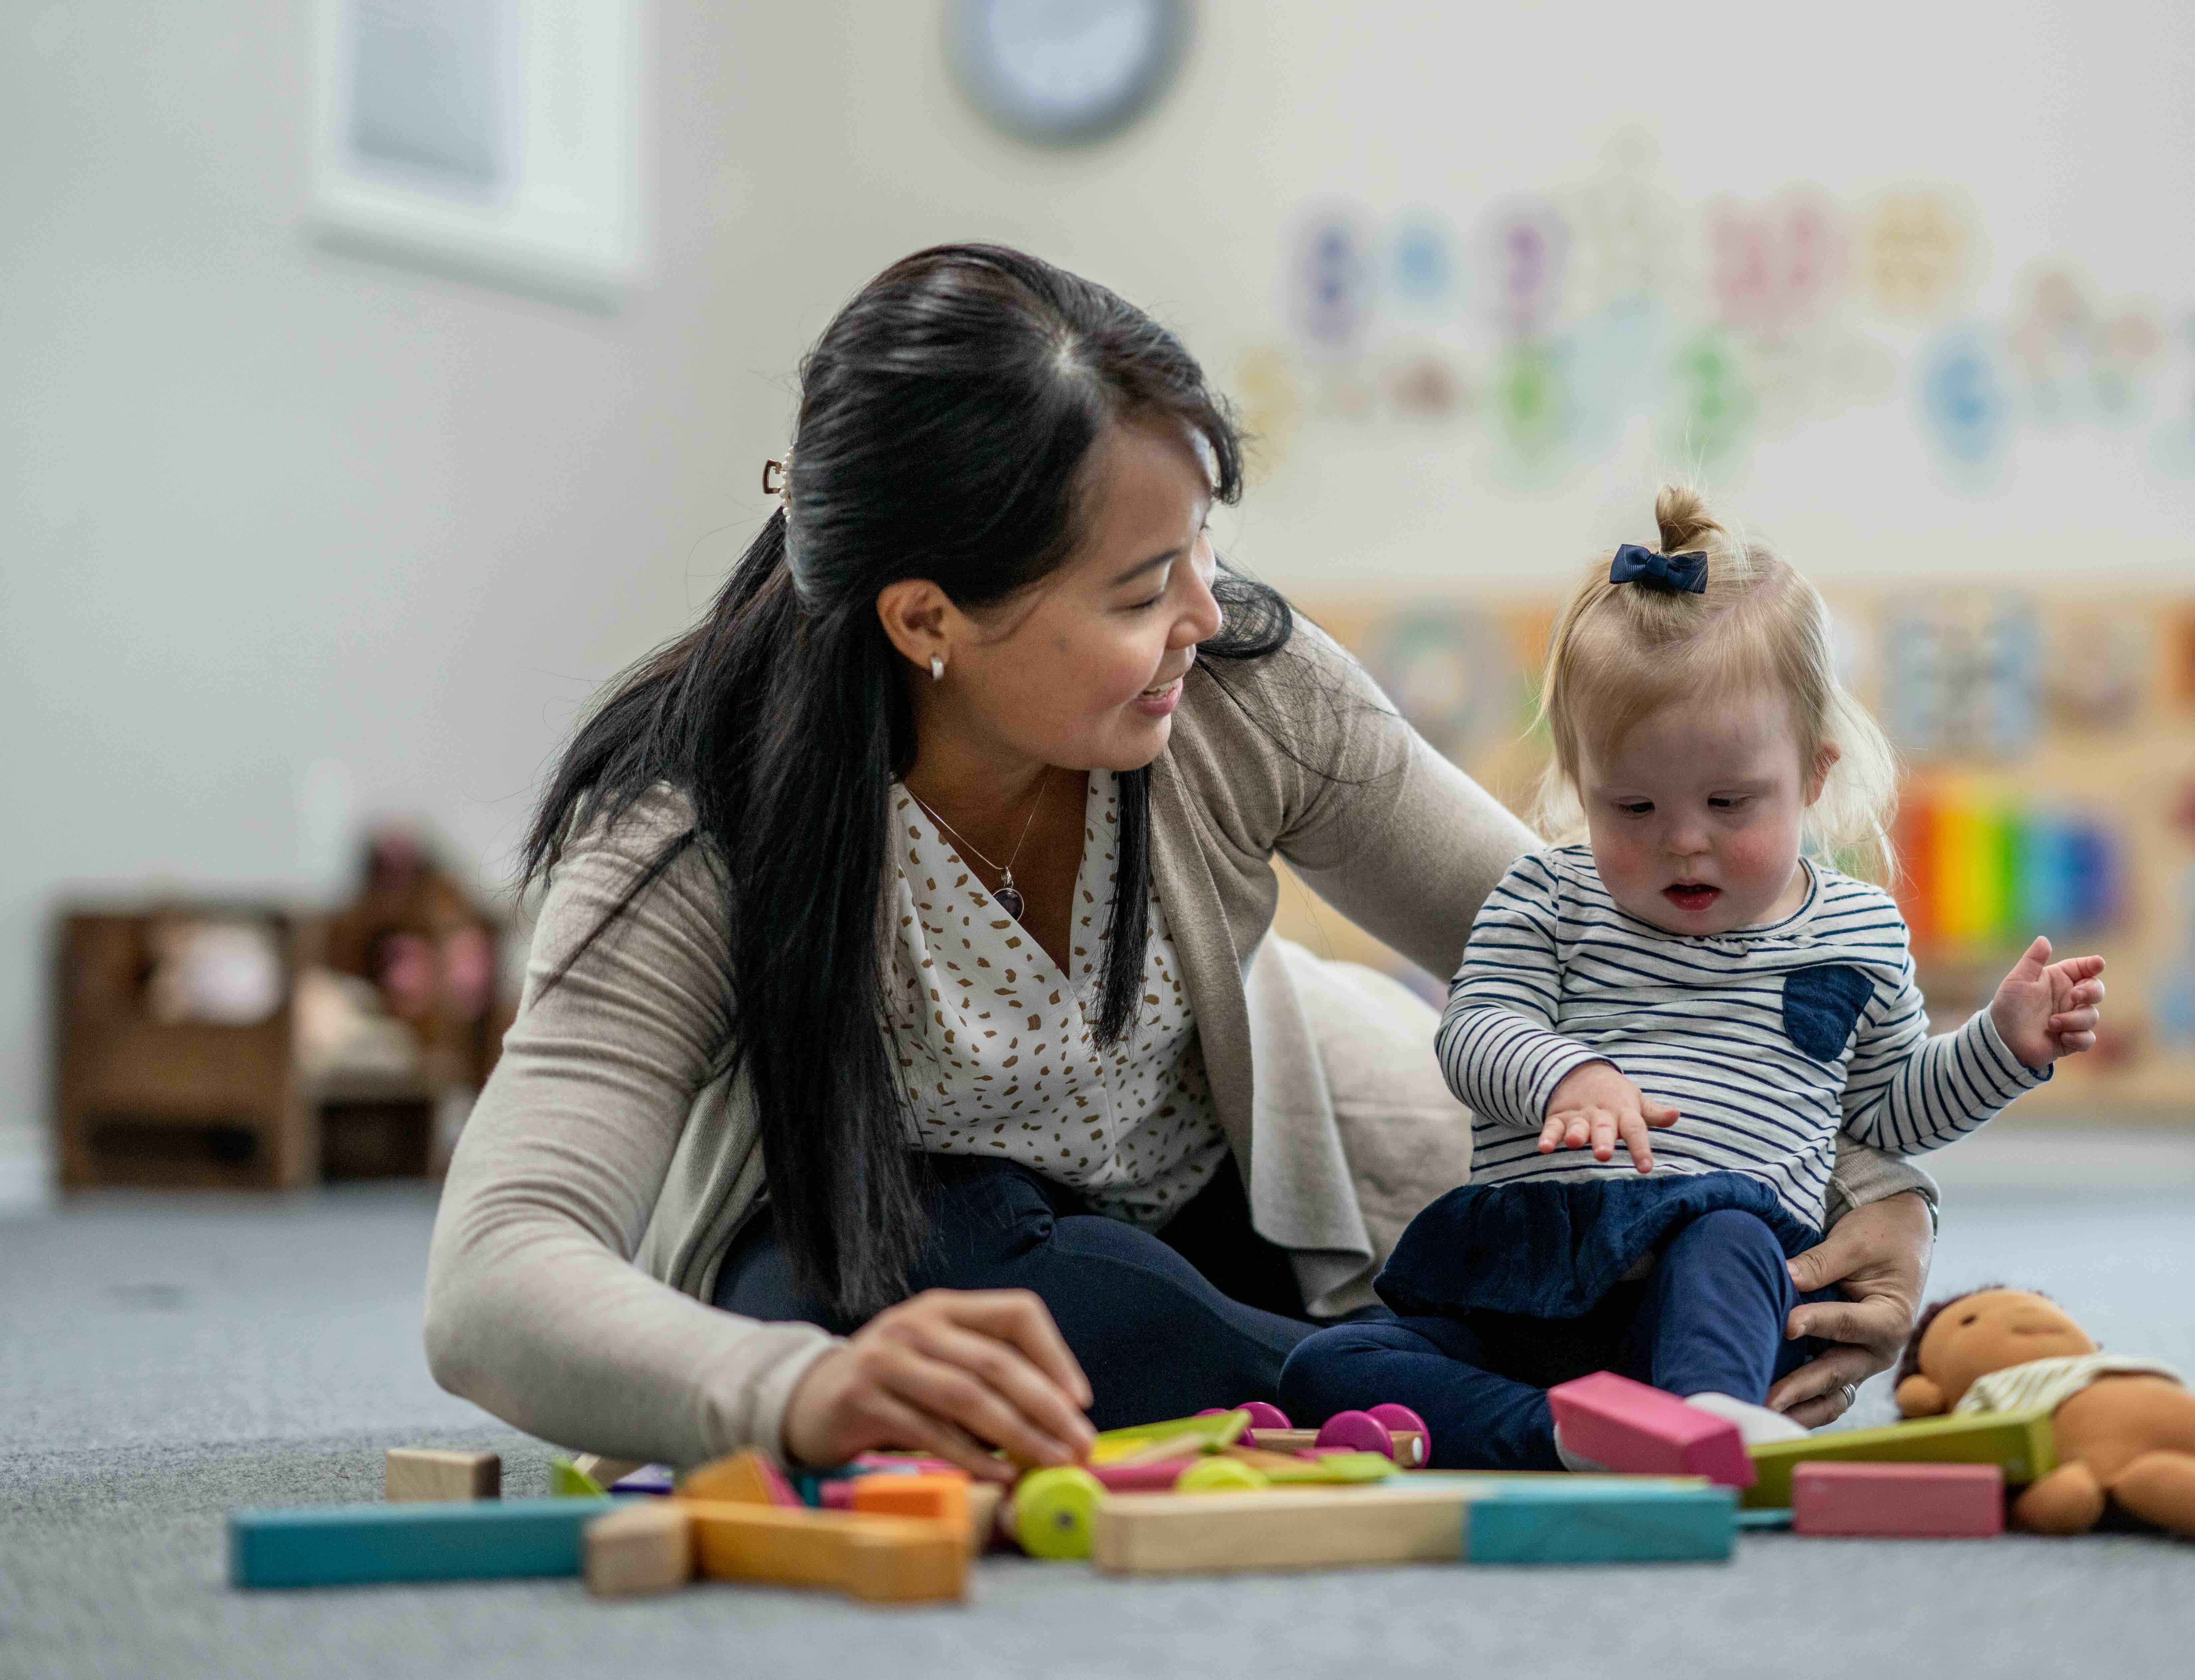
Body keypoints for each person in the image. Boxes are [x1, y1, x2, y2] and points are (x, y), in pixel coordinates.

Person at [423, 247, 1943, 1482]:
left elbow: (1627, 957)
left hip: (1270, 1210)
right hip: (907, 1269)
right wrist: (795, 1389)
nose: (1208, 616)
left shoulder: (1244, 692)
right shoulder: (693, 829)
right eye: (1146, 586)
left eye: (1203, 550)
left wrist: (1875, 1191)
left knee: (1634, 1235)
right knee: (993, 1282)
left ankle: (1411, 1388)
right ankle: (1440, 1400)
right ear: (926, 619)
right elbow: (495, 1274)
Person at [1282, 487, 2107, 1468]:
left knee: (1727, 1233)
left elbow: (1889, 1113)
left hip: (1718, 1281)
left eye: (1729, 802)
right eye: (1631, 806)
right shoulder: (1547, 894)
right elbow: (1474, 1029)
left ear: (1812, 774)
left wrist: (2002, 1048)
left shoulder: (1855, 928)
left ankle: (1697, 1418)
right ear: (1579, 785)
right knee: (1324, 1369)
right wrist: (1566, 1076)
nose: (1683, 841)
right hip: (1531, 1281)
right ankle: (1575, 1436)